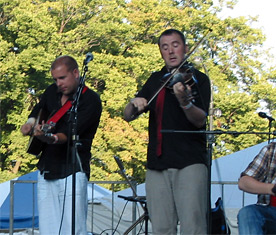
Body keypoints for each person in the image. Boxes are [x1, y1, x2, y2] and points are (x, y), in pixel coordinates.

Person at [123, 29, 211, 234]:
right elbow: (128, 115)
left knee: (193, 225)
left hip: (189, 161)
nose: (170, 51)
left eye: (175, 45)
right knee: (161, 227)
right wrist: (134, 104)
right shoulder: (156, 80)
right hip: (157, 162)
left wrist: (185, 102)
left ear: (186, 49)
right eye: (165, 47)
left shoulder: (198, 79)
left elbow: (200, 121)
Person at [20, 55, 102, 234]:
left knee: (73, 229)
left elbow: (71, 134)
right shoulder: (52, 91)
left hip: (73, 170)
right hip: (47, 168)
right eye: (55, 79)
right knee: (48, 229)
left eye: (62, 78)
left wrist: (50, 138)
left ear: (75, 73)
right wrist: (30, 123)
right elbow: (39, 108)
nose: (59, 83)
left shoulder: (91, 101)